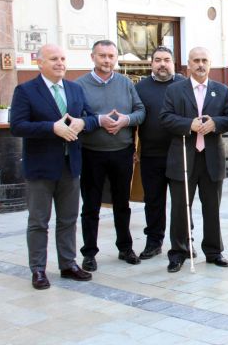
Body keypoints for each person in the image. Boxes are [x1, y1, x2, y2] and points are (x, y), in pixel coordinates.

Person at [10, 44, 98, 289]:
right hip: (40, 168)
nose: (60, 63)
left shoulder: (74, 89)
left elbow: (90, 118)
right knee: (39, 221)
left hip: (71, 165)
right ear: (40, 63)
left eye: (62, 58)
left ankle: (68, 264)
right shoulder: (26, 90)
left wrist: (82, 122)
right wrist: (51, 128)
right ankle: (38, 269)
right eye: (53, 59)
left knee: (68, 219)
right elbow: (17, 126)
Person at [160, 47, 228, 273]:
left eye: (204, 60)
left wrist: (216, 123)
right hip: (183, 156)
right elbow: (165, 118)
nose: (200, 64)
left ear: (210, 64)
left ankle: (214, 251)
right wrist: (188, 125)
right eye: (196, 61)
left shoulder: (221, 90)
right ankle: (179, 252)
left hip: (212, 157)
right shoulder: (175, 90)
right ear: (188, 65)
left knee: (212, 207)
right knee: (181, 208)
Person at [77, 40, 146, 271]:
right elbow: (77, 118)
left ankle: (125, 248)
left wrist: (125, 120)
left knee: (122, 204)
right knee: (91, 206)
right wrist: (99, 121)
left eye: (111, 56)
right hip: (91, 153)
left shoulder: (126, 83)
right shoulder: (80, 85)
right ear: (93, 57)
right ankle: (89, 253)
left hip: (122, 152)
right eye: (102, 56)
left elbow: (141, 112)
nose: (107, 60)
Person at [135, 46, 186, 260]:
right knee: (153, 201)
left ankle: (182, 243)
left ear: (173, 63)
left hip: (179, 154)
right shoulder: (140, 88)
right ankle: (154, 242)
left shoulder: (184, 85)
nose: (162, 64)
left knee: (180, 202)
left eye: (166, 59)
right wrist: (133, 148)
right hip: (150, 155)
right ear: (151, 64)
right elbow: (134, 119)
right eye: (157, 60)